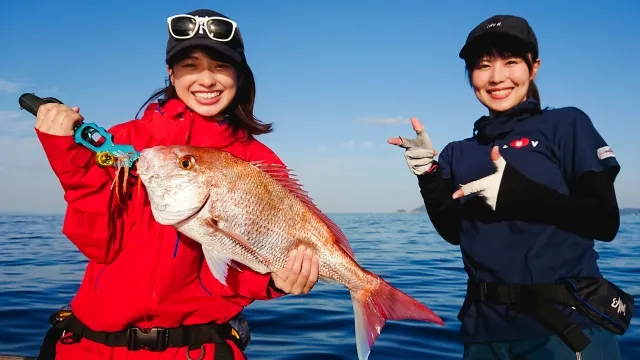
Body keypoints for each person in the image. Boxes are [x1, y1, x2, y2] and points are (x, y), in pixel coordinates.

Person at [33, 8, 319, 360]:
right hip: (88, 346)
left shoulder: (256, 161)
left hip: (195, 350)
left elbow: (235, 273)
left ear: (240, 76)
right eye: (190, 66)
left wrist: (275, 280)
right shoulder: (124, 140)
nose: (206, 80)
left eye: (220, 66)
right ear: (170, 73)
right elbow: (98, 245)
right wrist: (67, 153)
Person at [389, 15, 633, 360]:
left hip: (565, 331)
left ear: (534, 67)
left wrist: (520, 193)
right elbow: (453, 231)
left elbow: (605, 221)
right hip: (483, 331)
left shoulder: (566, 125)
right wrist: (429, 173)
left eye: (511, 62)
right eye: (483, 65)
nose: (497, 76)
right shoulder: (459, 151)